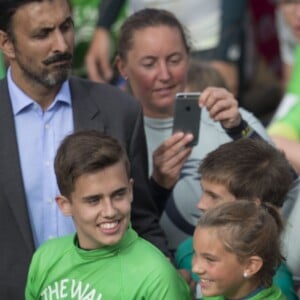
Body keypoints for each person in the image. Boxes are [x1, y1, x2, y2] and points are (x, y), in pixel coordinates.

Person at [0, 1, 170, 298]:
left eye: (66, 27)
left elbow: (141, 216)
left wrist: (165, 272)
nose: (62, 44)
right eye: (43, 34)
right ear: (7, 44)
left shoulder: (119, 111)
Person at [114, 8, 299, 252]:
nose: (165, 75)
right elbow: (116, 231)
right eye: (149, 63)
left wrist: (238, 129)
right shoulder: (117, 133)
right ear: (122, 67)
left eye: (174, 60)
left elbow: (287, 186)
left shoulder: (228, 117)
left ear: (189, 58)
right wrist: (158, 185)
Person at [25, 130, 191, 300]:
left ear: (131, 190)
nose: (110, 211)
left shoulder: (157, 276)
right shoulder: (45, 258)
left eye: (118, 194)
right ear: (65, 205)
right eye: (94, 200)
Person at [175, 138, 298, 300]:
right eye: (203, 191)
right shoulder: (188, 250)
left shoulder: (281, 285)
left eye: (214, 197)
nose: (201, 204)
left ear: (251, 207)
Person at [86, 0, 247, 95]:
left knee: (205, 124)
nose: (164, 75)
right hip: (143, 39)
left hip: (207, 41)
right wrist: (102, 27)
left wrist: (227, 54)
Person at [192, 200, 286, 300]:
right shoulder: (220, 290)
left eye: (210, 259)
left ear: (250, 265)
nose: (195, 268)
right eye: (195, 254)